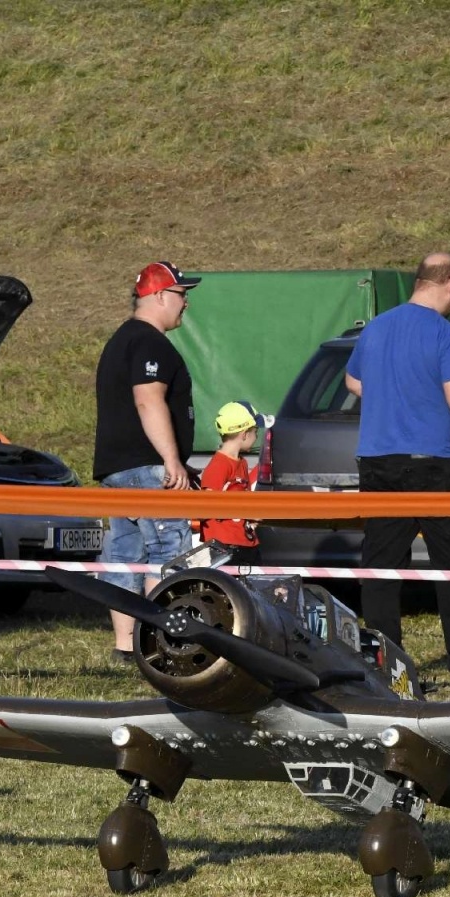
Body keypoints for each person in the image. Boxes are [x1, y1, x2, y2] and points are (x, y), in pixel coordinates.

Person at [343, 252, 450, 681]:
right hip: (432, 465)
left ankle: (382, 661)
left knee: (380, 566)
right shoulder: (445, 334)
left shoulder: (377, 327)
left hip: (377, 462)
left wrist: (393, 397)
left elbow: (353, 381)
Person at [92, 262, 200, 664]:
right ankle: (162, 643)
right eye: (181, 293)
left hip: (117, 469)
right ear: (159, 296)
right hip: (147, 468)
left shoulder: (120, 339)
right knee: (168, 552)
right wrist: (172, 460)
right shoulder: (151, 343)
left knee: (124, 555)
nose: (186, 303)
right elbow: (148, 399)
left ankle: (125, 647)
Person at [199, 400, 265, 562]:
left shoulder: (241, 463)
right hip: (224, 545)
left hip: (244, 540)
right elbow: (206, 504)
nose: (257, 436)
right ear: (244, 434)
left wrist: (251, 516)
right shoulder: (219, 465)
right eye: (256, 431)